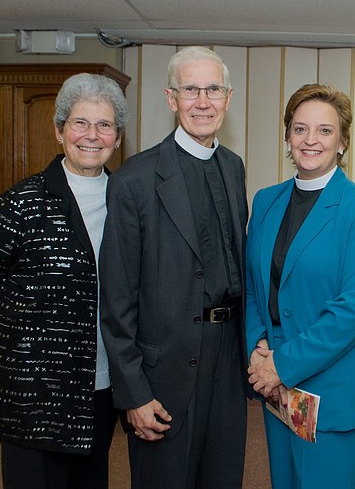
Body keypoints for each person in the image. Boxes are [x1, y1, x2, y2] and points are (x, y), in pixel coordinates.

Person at [0, 73, 128, 489]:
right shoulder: (21, 203)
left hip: (98, 386)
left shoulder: (128, 201)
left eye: (105, 125)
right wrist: (23, 334)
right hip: (31, 394)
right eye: (80, 122)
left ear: (117, 138)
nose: (92, 135)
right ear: (59, 130)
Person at [100, 46, 248, 488]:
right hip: (163, 371)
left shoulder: (233, 167)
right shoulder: (134, 180)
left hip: (226, 357)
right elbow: (116, 299)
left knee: (222, 477)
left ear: (228, 97)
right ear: (171, 98)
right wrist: (133, 394)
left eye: (213, 89)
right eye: (190, 89)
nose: (202, 101)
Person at [246, 84, 355, 488]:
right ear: (287, 137)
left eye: (325, 131)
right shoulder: (266, 201)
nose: (311, 140)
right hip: (275, 387)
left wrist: (280, 365)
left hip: (332, 389)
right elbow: (254, 286)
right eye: (300, 128)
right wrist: (257, 347)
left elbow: (353, 309)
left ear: (343, 141)